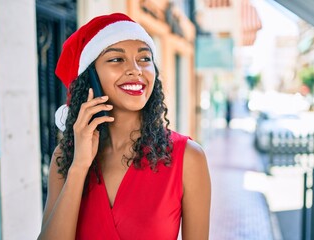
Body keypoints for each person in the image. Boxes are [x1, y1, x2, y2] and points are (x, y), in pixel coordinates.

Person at [37, 13, 211, 240]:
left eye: (145, 59)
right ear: (91, 78)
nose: (136, 70)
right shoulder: (65, 157)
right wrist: (79, 167)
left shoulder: (188, 157)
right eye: (116, 59)